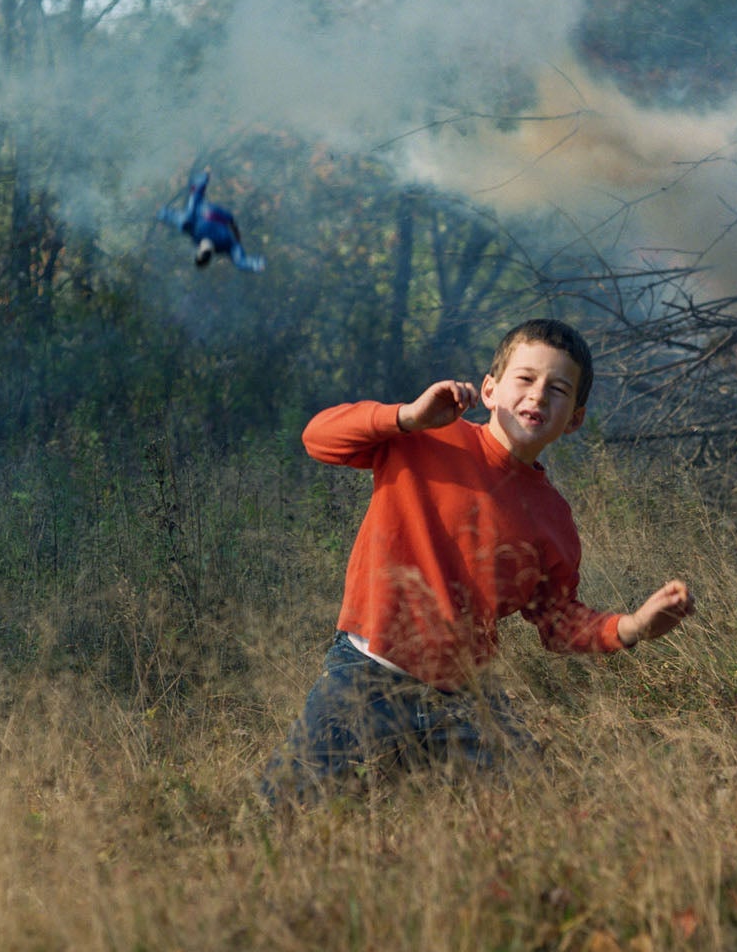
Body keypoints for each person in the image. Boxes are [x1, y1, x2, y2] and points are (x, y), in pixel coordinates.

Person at [263, 318, 693, 801]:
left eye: (558, 390)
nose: (538, 396)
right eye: (525, 379)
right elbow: (318, 438)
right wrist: (406, 415)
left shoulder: (554, 520)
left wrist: (632, 626)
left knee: (538, 808)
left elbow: (558, 621)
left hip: (467, 700)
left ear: (574, 419)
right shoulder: (424, 440)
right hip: (365, 674)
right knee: (284, 812)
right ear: (490, 389)